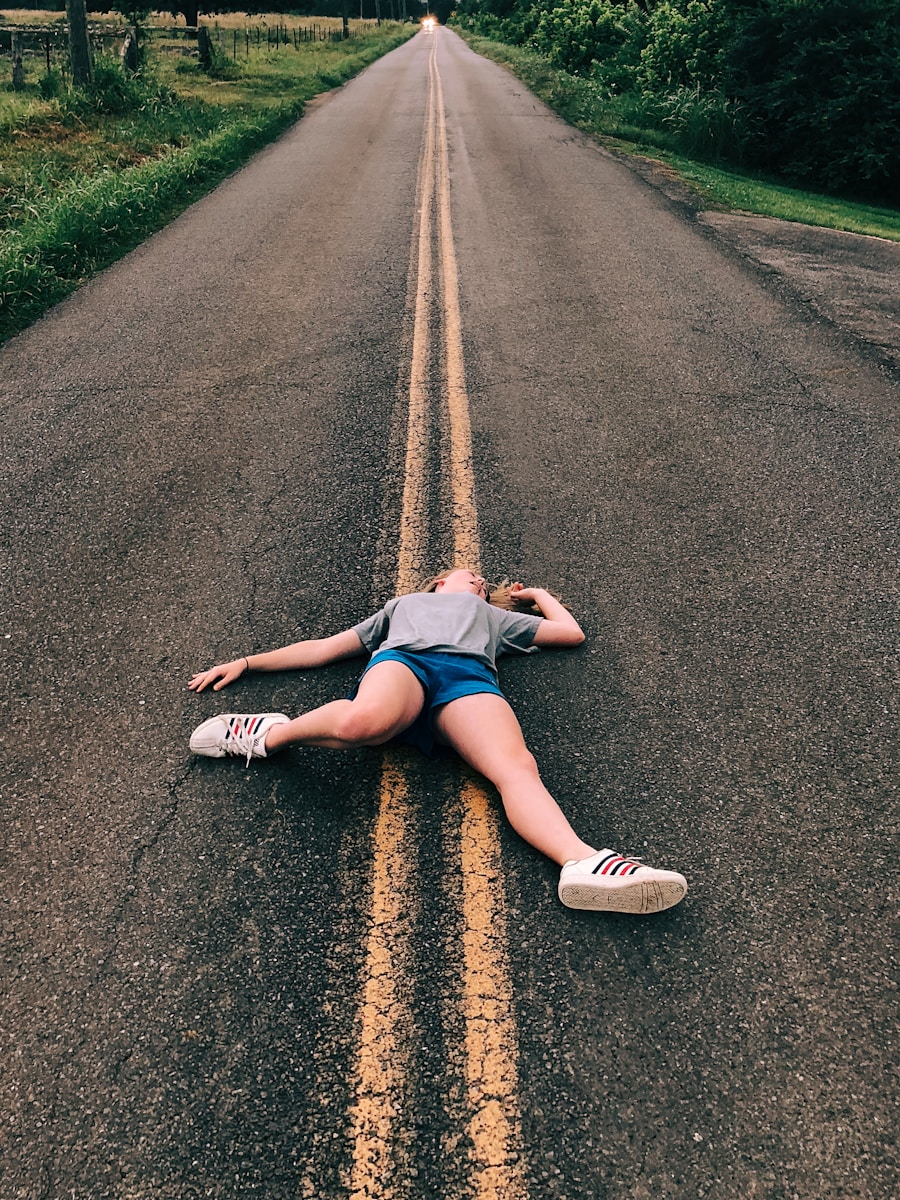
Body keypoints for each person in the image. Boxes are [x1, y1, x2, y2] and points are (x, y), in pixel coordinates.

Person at [188, 568, 687, 914]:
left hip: (467, 681)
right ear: (438, 583)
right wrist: (248, 663)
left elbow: (570, 633)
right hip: (404, 663)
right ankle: (266, 734)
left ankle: (582, 862)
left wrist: (536, 593)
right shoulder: (404, 605)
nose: (480, 581)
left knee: (515, 766)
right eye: (469, 575)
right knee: (364, 723)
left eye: (483, 583)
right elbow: (324, 649)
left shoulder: (496, 619)